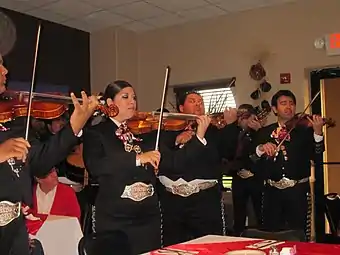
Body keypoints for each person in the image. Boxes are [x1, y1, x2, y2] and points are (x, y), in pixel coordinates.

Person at [83, 81, 211, 254]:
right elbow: (96, 166)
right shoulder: (97, 133)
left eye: (134, 97)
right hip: (115, 216)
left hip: (147, 217)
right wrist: (137, 159)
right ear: (110, 103)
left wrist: (199, 137)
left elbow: (174, 163)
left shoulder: (145, 133)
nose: (132, 102)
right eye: (125, 97)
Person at [0, 53, 98, 255]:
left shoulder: (13, 121)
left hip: (14, 231)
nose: (5, 71)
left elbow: (40, 161)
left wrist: (75, 125)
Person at [158, 91, 237, 246]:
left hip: (204, 201)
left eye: (201, 101)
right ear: (181, 108)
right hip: (172, 202)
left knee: (210, 245)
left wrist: (231, 125)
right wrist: (176, 141)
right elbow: (165, 161)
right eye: (192, 101)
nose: (198, 104)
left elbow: (229, 152)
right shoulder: (167, 130)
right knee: (174, 246)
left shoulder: (214, 131)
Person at [251, 90, 324, 241]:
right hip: (272, 193)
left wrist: (318, 133)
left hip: (297, 192)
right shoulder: (264, 132)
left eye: (291, 103)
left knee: (298, 233)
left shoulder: (304, 130)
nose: (289, 107)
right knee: (271, 234)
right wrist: (260, 149)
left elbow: (316, 155)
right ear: (274, 109)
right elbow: (251, 159)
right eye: (283, 103)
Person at [222, 104, 264, 235]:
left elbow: (263, 154)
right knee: (238, 213)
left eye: (245, 117)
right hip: (238, 177)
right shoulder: (233, 132)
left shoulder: (259, 132)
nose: (241, 120)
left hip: (256, 178)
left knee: (259, 212)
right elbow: (229, 154)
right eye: (239, 117)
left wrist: (259, 131)